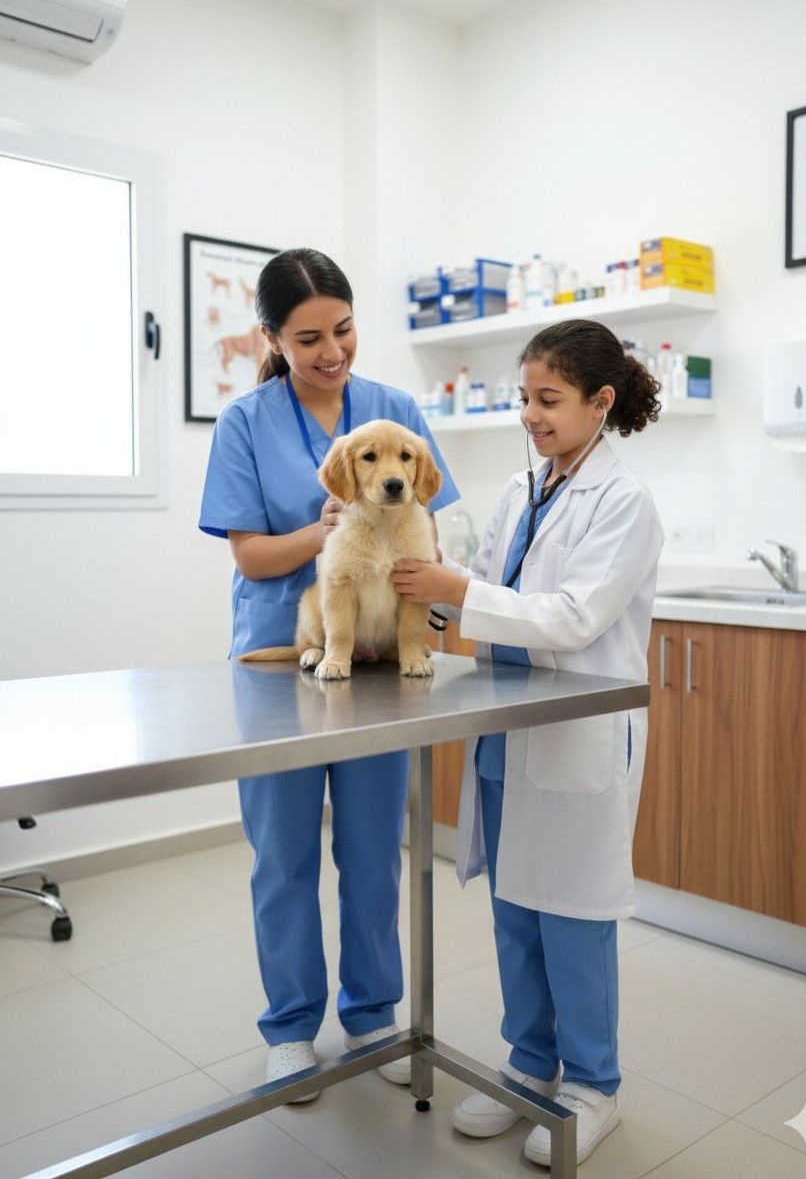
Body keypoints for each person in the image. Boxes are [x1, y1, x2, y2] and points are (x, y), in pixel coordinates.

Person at [392, 318, 663, 1166]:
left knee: (573, 919)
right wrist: (423, 595)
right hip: (508, 731)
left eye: (548, 400)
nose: (531, 416)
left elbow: (574, 619)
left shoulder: (625, 503)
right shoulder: (523, 489)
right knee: (515, 910)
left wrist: (459, 589)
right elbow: (488, 598)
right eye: (524, 399)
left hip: (577, 734)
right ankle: (528, 1067)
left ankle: (592, 1085)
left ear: (600, 401)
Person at [199, 248, 459, 1098]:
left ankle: (374, 1013)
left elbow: (428, 529)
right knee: (282, 855)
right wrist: (335, 530)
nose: (332, 350)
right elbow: (250, 553)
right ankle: (289, 1030)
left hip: (380, 668)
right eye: (308, 337)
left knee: (375, 846)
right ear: (271, 336)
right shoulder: (247, 422)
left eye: (343, 329)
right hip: (281, 662)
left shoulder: (393, 411)